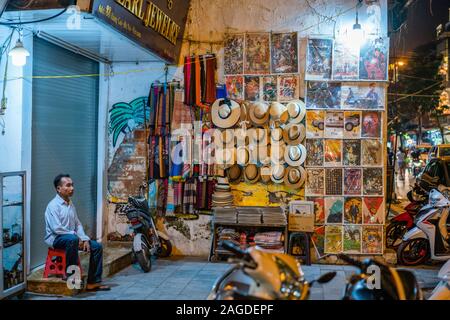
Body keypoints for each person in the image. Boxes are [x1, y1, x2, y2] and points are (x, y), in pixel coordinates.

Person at [44, 174, 110, 291]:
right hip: (56, 239)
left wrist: (84, 238)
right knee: (72, 239)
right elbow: (57, 229)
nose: (72, 188)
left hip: (72, 239)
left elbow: (77, 224)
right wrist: (77, 238)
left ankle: (92, 282)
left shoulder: (70, 204)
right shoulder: (53, 206)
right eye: (68, 185)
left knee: (97, 247)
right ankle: (71, 277)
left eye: (72, 185)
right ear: (59, 189)